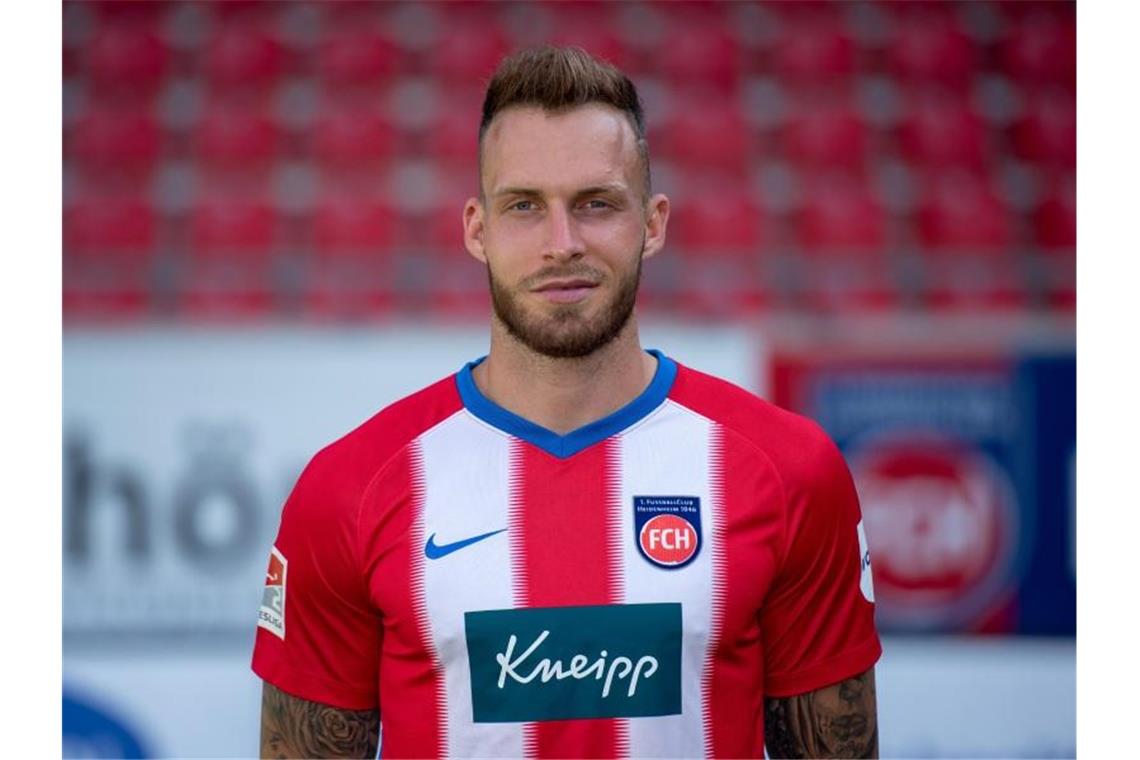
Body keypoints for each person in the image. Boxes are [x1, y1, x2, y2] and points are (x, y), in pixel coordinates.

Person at [252, 46, 881, 759]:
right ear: (476, 229)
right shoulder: (350, 489)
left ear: (652, 223)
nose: (562, 243)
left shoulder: (789, 470)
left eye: (596, 204)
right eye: (524, 207)